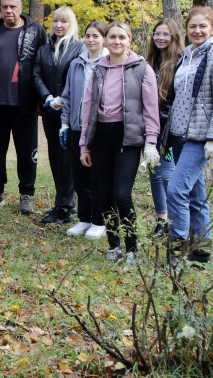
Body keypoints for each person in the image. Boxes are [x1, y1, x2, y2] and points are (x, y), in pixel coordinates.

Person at [80, 22, 160, 265]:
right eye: (112, 37)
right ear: (106, 41)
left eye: (121, 37)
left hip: (129, 138)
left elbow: (151, 108)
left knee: (121, 194)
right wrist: (84, 144)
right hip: (101, 138)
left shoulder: (141, 69)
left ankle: (132, 249)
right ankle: (114, 246)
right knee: (103, 194)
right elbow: (87, 107)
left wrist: (151, 142)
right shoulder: (98, 69)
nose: (116, 41)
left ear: (129, 40)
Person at [166, 7, 213, 265]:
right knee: (195, 194)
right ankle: (202, 250)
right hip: (180, 135)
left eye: (202, 27)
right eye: (192, 26)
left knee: (175, 190)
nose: (197, 31)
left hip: (201, 137)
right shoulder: (188, 55)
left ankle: (177, 250)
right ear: (186, 29)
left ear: (212, 29)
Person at [0, 0, 48, 214]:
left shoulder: (36, 31)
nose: (8, 10)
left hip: (25, 103)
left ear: (21, 7)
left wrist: (41, 98)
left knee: (26, 151)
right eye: (4, 6)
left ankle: (27, 194)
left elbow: (43, 65)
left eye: (13, 6)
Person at [33, 7, 85, 224]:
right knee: (55, 156)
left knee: (67, 157)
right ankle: (61, 202)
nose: (59, 25)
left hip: (69, 110)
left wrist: (61, 99)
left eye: (64, 21)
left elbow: (78, 77)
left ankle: (66, 205)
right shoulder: (45, 48)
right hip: (49, 109)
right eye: (55, 21)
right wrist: (46, 97)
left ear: (71, 23)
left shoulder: (78, 48)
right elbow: (35, 73)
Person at [61, 21, 108, 239]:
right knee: (79, 176)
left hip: (99, 129)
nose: (90, 40)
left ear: (104, 39)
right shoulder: (76, 64)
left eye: (95, 36)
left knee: (97, 177)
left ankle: (99, 221)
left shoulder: (109, 64)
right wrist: (65, 123)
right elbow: (68, 95)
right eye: (87, 36)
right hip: (76, 127)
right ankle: (84, 218)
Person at [145, 18, 184, 238]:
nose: (160, 38)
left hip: (169, 127)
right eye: (157, 33)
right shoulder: (151, 60)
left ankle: (175, 220)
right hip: (151, 124)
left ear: (174, 37)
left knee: (167, 173)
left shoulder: (179, 61)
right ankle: (162, 220)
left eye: (165, 34)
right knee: (154, 174)